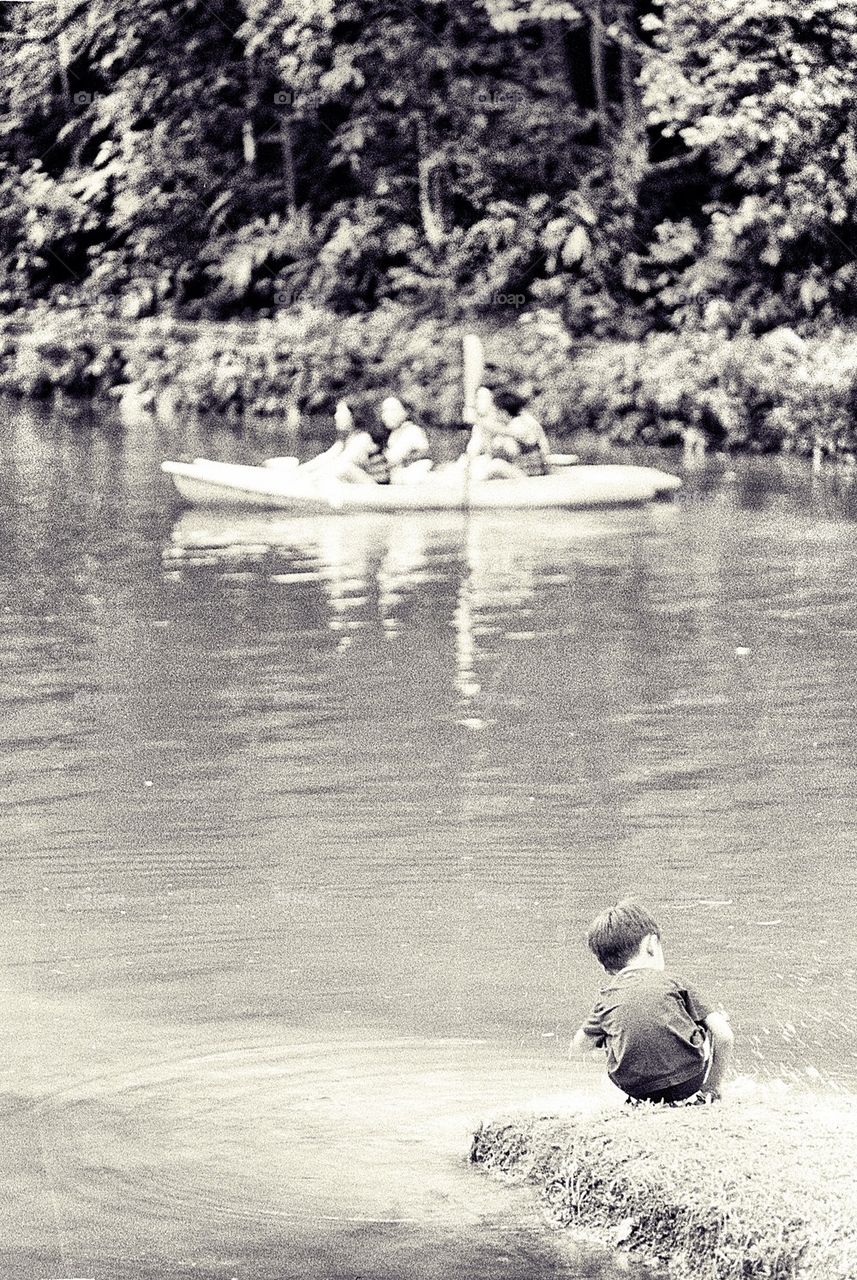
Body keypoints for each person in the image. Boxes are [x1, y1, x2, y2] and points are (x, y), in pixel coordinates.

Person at [569, 899, 734, 1105]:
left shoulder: (607, 997)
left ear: (605, 968)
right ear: (651, 944)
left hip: (635, 1087)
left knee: (608, 1031)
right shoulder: (674, 982)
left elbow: (579, 1046)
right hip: (688, 1080)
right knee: (711, 1021)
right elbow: (725, 1036)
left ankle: (639, 1092)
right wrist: (713, 1086)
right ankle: (709, 1093)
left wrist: (613, 1040)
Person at [301, 399, 390, 484]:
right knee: (329, 472)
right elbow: (324, 458)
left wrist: (310, 477)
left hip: (377, 489)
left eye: (341, 412)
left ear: (354, 415)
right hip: (360, 486)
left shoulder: (363, 438)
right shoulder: (346, 439)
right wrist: (300, 470)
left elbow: (341, 463)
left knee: (344, 468)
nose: (336, 416)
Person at [379, 396, 433, 485]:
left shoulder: (412, 430)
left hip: (416, 479)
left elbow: (393, 458)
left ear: (405, 412)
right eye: (384, 410)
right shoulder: (394, 433)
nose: (388, 415)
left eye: (393, 410)